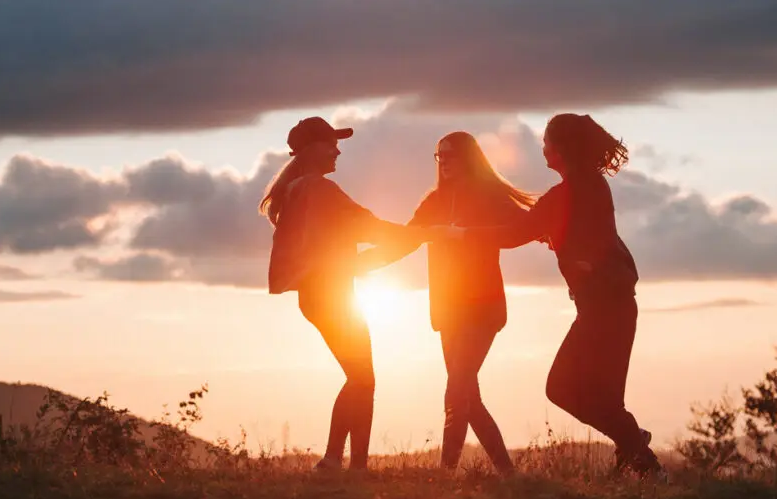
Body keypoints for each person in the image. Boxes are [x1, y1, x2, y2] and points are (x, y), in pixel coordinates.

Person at [437, 114, 664, 479]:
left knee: (560, 388)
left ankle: (640, 453)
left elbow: (515, 233)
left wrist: (462, 234)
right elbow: (557, 225)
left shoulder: (569, 192)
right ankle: (638, 452)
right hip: (611, 304)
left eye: (545, 141)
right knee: (603, 398)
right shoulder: (591, 186)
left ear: (560, 149)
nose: (541, 147)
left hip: (603, 308)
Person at [356, 131, 533, 475]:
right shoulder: (433, 202)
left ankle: (445, 473)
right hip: (448, 312)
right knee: (468, 396)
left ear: (468, 158)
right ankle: (509, 474)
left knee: (456, 391)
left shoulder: (490, 197)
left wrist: (471, 233)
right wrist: (359, 264)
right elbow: (405, 241)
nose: (445, 162)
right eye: (439, 156)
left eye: (451, 155)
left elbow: (521, 231)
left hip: (483, 309)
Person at [260, 116, 428, 472]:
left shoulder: (299, 189)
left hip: (324, 294)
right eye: (330, 144)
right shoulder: (318, 189)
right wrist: (423, 232)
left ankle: (348, 464)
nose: (337, 151)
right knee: (363, 378)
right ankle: (341, 462)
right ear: (311, 149)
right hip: (330, 295)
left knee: (361, 378)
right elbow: (366, 224)